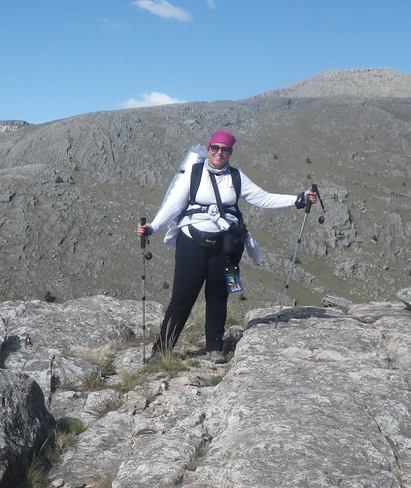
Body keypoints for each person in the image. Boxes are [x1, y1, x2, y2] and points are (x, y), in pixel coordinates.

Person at [136, 130, 318, 362]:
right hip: (191, 242)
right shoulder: (193, 173)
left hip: (225, 246)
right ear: (208, 148)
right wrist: (152, 227)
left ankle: (214, 347)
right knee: (182, 298)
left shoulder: (236, 176)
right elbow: (173, 205)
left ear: (231, 152)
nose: (219, 153)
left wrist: (298, 199)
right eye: (215, 148)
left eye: (225, 149)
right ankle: (161, 351)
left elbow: (263, 198)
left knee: (218, 296)